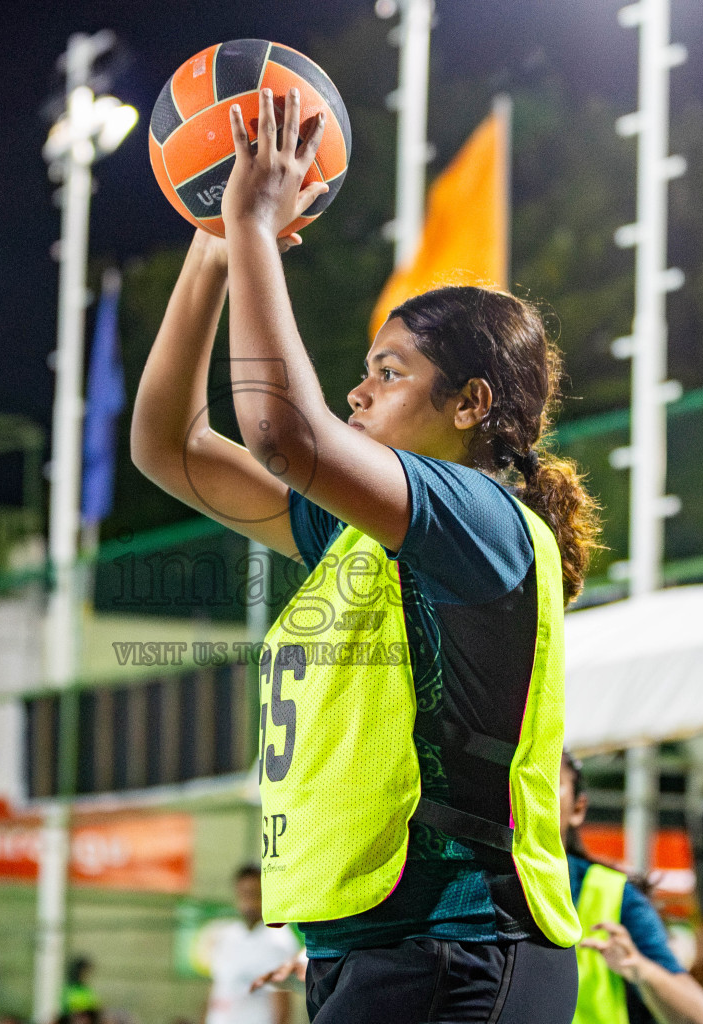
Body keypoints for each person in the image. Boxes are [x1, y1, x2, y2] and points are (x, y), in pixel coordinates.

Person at [132, 84, 600, 1024]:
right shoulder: (358, 538)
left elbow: (280, 433)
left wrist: (258, 229)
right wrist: (215, 248)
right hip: (378, 944)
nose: (357, 390)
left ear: (470, 405)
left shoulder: (483, 518)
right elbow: (170, 449)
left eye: (388, 373)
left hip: (461, 940)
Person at [558, 754, 703, 1024]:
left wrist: (640, 968)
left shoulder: (615, 896)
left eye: (549, 783)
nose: (533, 795)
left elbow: (698, 1014)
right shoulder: (473, 883)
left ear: (578, 809)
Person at [202, 867, 300, 1024]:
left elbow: (282, 1011)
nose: (248, 901)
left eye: (254, 894)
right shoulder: (226, 936)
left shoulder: (278, 941)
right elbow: (216, 992)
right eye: (244, 893)